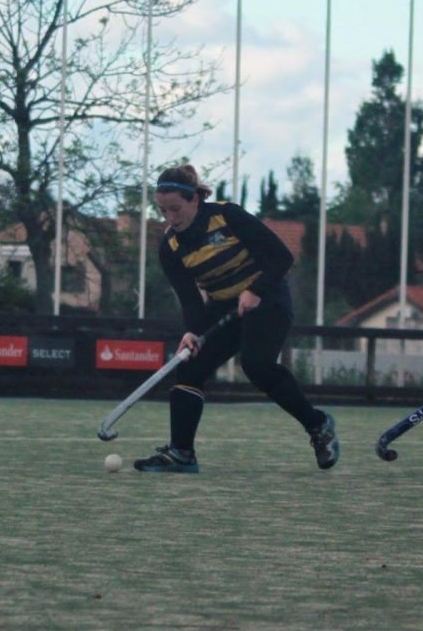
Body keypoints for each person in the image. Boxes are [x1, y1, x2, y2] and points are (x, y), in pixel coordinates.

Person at [133, 164, 340, 474]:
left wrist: (255, 289)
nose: (170, 218)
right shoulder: (170, 247)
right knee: (190, 365)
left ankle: (318, 425)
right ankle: (182, 453)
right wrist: (192, 332)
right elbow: (190, 299)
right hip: (222, 308)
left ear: (194, 199)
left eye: (175, 208)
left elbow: (281, 258)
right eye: (163, 211)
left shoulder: (227, 216)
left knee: (256, 366)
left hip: (268, 298)